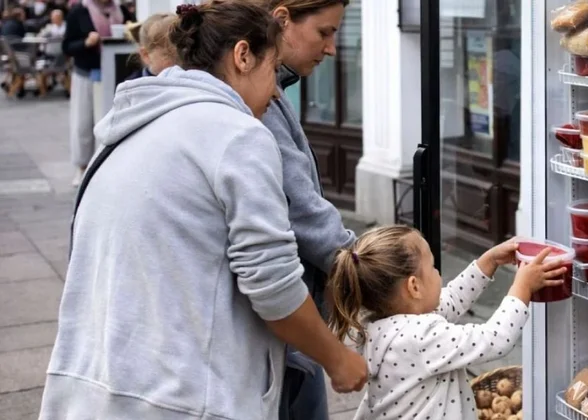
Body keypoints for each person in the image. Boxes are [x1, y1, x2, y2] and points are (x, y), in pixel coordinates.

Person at [38, 1, 366, 419]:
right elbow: (273, 284)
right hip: (184, 398)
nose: (273, 96)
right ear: (243, 56)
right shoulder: (237, 135)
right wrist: (337, 358)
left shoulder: (127, 127)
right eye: (272, 75)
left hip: (95, 391)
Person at [328, 225, 567, 419]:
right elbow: (495, 339)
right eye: (432, 268)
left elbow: (451, 300)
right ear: (413, 287)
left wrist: (488, 262)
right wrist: (522, 287)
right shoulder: (420, 337)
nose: (438, 274)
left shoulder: (379, 327)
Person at [259, 1, 354, 419]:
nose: (331, 48)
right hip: (284, 338)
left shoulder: (271, 90)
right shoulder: (254, 102)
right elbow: (304, 217)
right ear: (282, 21)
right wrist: (381, 269)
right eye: (324, 32)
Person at [61, 0, 124, 187]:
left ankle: (106, 166)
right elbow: (67, 46)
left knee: (109, 122)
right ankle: (82, 166)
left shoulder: (119, 11)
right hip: (86, 74)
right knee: (82, 122)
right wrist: (85, 43)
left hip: (115, 76)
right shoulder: (79, 12)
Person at [124, 12, 175, 80]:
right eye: (168, 54)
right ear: (146, 55)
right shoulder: (132, 87)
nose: (180, 60)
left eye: (183, 53)